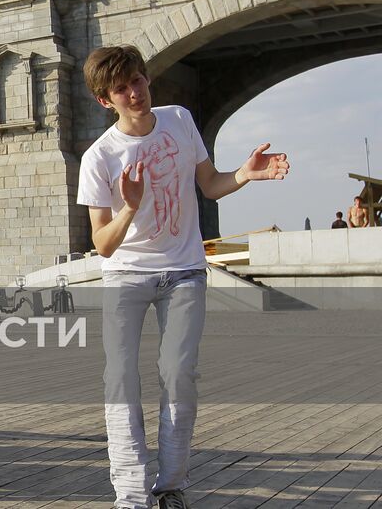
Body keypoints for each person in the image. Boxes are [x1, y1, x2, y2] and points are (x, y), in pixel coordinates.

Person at [78, 45, 289, 509]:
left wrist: (246, 175)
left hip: (185, 270)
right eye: (122, 88)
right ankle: (130, 497)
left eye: (138, 80)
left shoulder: (178, 119)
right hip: (127, 276)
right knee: (121, 381)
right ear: (104, 100)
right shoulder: (100, 157)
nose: (135, 92)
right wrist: (130, 204)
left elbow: (210, 185)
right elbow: (104, 244)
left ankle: (171, 486)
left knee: (179, 375)